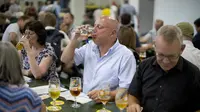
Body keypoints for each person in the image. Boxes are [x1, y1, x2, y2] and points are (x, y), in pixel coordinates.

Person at [61, 16, 136, 101]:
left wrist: (107, 94)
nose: (93, 30)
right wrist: (75, 39)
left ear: (112, 33)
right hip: (85, 100)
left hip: (108, 105)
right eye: (94, 26)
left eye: (99, 27)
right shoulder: (90, 46)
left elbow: (126, 90)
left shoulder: (125, 55)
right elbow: (65, 59)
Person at [127, 25, 200, 112]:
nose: (165, 61)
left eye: (171, 56)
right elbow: (133, 94)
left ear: (182, 49)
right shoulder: (144, 66)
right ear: (155, 46)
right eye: (161, 55)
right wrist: (133, 104)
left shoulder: (193, 74)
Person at [0, 41, 46, 112]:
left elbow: (37, 74)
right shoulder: (27, 96)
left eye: (30, 33)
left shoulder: (47, 51)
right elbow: (41, 107)